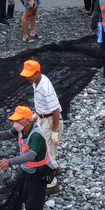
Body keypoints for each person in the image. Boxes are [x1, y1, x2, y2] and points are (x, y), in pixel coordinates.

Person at [22, 59, 64, 190]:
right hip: (43, 118)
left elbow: (56, 110)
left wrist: (55, 131)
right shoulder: (37, 81)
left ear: (37, 72)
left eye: (30, 75)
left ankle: (52, 184)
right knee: (48, 148)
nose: (28, 77)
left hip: (51, 120)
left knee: (44, 152)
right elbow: (43, 105)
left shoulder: (45, 88)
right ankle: (55, 167)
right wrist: (36, 115)